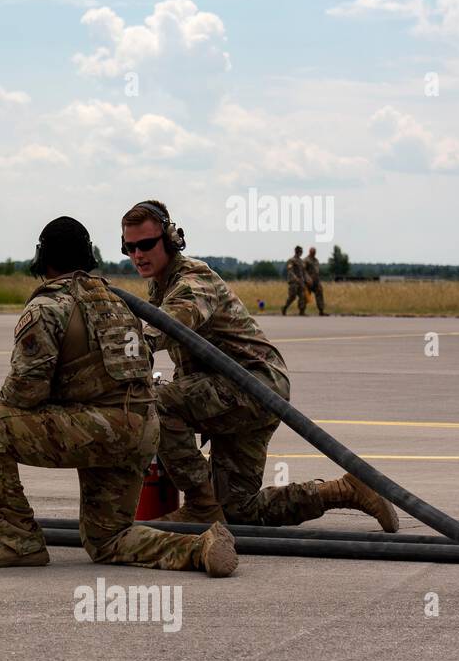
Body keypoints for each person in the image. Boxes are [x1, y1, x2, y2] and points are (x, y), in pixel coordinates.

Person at [0, 216, 239, 577]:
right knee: (107, 539)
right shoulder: (115, 300)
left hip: (99, 429)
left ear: (44, 258)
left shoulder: (46, 307)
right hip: (139, 430)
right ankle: (201, 548)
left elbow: (27, 390)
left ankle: (19, 543)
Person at [121, 200, 398, 530]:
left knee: (154, 402)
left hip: (253, 386)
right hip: (240, 391)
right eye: (130, 248)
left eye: (146, 245)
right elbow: (189, 356)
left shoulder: (192, 282)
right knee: (240, 510)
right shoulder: (160, 284)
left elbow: (171, 323)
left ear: (169, 240)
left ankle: (200, 503)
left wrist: (136, 348)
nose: (138, 255)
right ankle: (344, 491)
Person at [282, 245, 308, 315]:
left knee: (303, 296)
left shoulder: (301, 261)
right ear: (297, 251)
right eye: (300, 251)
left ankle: (302, 311)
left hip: (301, 282)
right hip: (294, 282)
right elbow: (290, 270)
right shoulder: (292, 260)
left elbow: (304, 272)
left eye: (301, 251)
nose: (301, 253)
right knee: (292, 297)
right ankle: (284, 308)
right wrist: (295, 278)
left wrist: (306, 280)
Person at [305, 246, 327, 316]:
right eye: (312, 252)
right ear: (309, 252)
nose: (314, 253)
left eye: (314, 252)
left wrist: (318, 280)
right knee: (306, 296)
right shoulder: (306, 260)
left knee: (319, 294)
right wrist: (307, 278)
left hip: (316, 281)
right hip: (308, 281)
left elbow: (317, 271)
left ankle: (321, 310)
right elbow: (303, 271)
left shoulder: (316, 260)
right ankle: (302, 310)